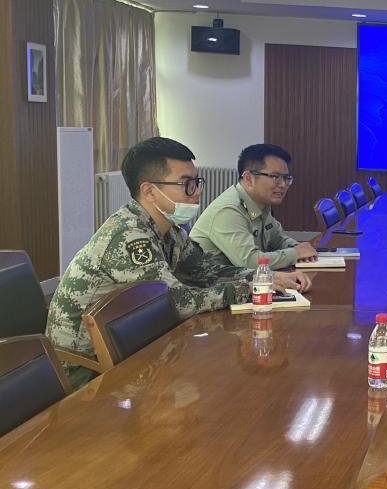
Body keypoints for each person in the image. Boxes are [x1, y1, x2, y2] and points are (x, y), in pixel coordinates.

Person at [46, 137, 311, 389]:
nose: (197, 192)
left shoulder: (170, 230)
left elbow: (205, 270)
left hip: (134, 345)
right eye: (187, 184)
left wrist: (261, 278)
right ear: (150, 191)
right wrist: (247, 289)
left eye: (197, 182)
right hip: (85, 370)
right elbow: (176, 303)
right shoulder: (129, 237)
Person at [191, 143, 318, 270]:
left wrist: (298, 248)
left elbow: (278, 239)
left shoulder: (262, 205)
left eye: (286, 178)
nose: (283, 184)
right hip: (210, 282)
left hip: (241, 279)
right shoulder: (228, 210)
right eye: (275, 177)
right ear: (248, 179)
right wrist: (295, 254)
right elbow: (250, 262)